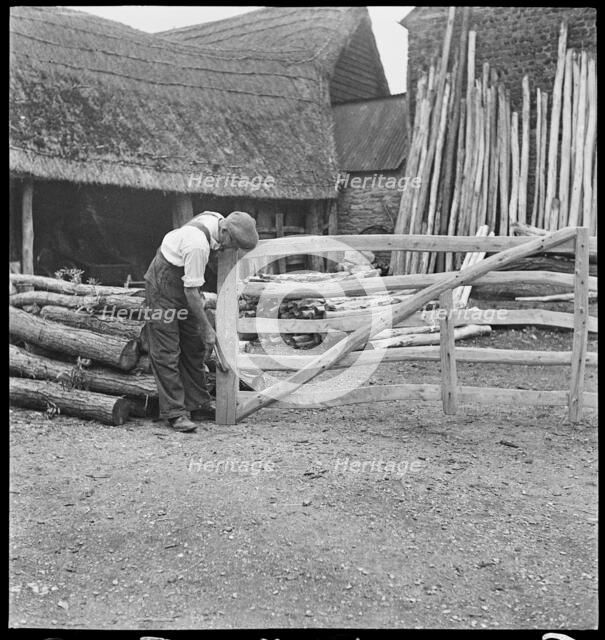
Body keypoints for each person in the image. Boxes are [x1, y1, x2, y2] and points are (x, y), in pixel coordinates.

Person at [144, 210, 259, 432]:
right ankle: (175, 413)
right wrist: (207, 328)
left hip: (182, 282)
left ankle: (197, 403)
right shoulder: (198, 245)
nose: (232, 249)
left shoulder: (215, 218)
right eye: (233, 244)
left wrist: (202, 329)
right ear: (225, 231)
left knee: (194, 345)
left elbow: (190, 289)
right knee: (166, 350)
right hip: (161, 287)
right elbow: (191, 293)